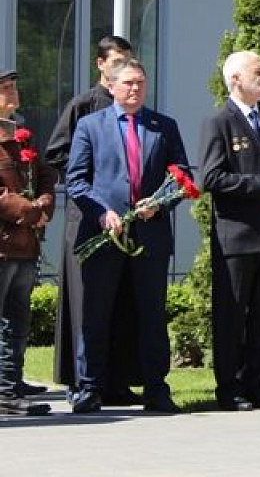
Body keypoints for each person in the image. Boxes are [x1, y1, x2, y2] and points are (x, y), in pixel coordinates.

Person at [65, 59, 189, 414]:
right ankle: (89, 388)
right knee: (97, 312)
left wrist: (161, 202)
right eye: (128, 83)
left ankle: (156, 389)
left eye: (140, 83)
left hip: (150, 235)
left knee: (152, 313)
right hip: (105, 233)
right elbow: (76, 180)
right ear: (113, 87)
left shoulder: (163, 126)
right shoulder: (91, 126)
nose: (135, 89)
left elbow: (181, 175)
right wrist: (102, 213)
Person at [200, 51, 260, 412]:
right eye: (259, 72)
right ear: (235, 79)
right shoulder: (219, 122)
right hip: (237, 237)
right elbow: (211, 178)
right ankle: (230, 387)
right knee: (232, 315)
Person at [46, 35, 140, 403]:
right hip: (89, 216)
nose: (124, 70)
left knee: (121, 299)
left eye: (128, 62)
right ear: (100, 64)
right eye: (117, 62)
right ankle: (82, 379)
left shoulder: (132, 108)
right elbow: (57, 154)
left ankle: (118, 378)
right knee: (87, 303)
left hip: (125, 220)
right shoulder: (83, 106)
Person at [0, 67, 56, 417]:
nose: (13, 92)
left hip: (25, 242)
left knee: (17, 317)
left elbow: (45, 174)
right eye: (5, 87)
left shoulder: (22, 135)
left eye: (13, 86)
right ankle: (4, 390)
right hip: (4, 242)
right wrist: (29, 210)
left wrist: (46, 201)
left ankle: (12, 382)